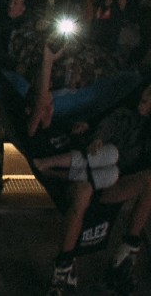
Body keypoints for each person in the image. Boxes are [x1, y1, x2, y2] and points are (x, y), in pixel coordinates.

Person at [36, 83, 151, 295]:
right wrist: (98, 138)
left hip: (112, 181)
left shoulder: (145, 134)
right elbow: (108, 125)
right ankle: (63, 271)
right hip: (88, 174)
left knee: (147, 179)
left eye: (146, 100)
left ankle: (125, 256)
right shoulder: (125, 116)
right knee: (90, 182)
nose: (140, 103)